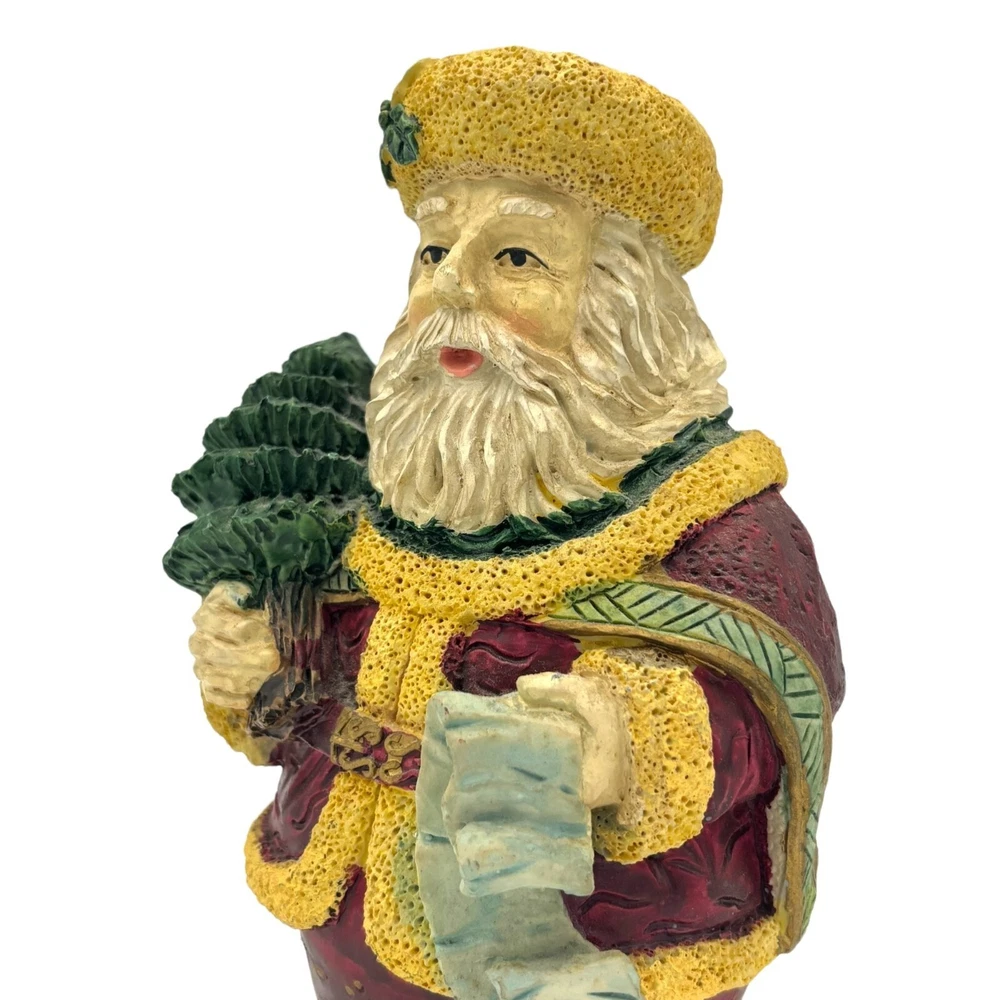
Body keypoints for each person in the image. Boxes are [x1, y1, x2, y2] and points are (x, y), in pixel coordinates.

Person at [171, 46, 843, 1000]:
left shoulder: (715, 524)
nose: (452, 289)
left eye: (516, 258)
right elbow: (336, 659)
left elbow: (774, 690)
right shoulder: (402, 489)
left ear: (622, 310)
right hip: (349, 946)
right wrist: (261, 667)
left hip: (593, 959)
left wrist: (621, 743)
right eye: (435, 252)